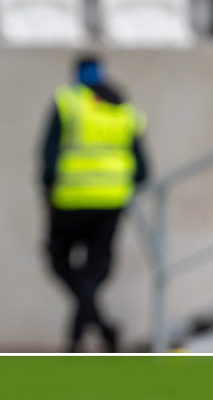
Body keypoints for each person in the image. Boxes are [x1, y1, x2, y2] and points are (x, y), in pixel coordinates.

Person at [41, 55, 149, 352]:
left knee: (59, 260)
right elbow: (142, 168)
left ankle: (79, 338)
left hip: (70, 199)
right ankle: (101, 328)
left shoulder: (67, 102)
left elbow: (49, 154)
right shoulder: (126, 110)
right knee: (96, 267)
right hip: (111, 201)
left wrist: (48, 190)